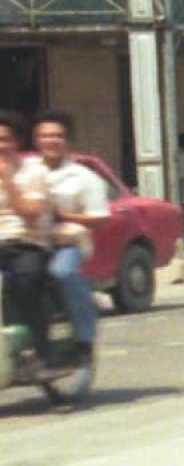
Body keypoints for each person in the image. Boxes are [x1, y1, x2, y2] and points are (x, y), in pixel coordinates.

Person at [24, 110, 105, 368]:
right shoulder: (24, 171)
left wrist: (65, 215)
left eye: (57, 135)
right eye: (45, 136)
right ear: (36, 140)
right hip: (27, 241)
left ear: (67, 140)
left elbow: (100, 218)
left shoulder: (83, 177)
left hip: (67, 243)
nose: (51, 140)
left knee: (62, 272)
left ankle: (84, 337)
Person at [0, 110, 57, 367]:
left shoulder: (34, 171)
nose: (1, 146)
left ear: (17, 142)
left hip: (26, 243)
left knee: (27, 281)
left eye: (6, 139)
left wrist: (8, 180)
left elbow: (31, 214)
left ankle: (42, 350)